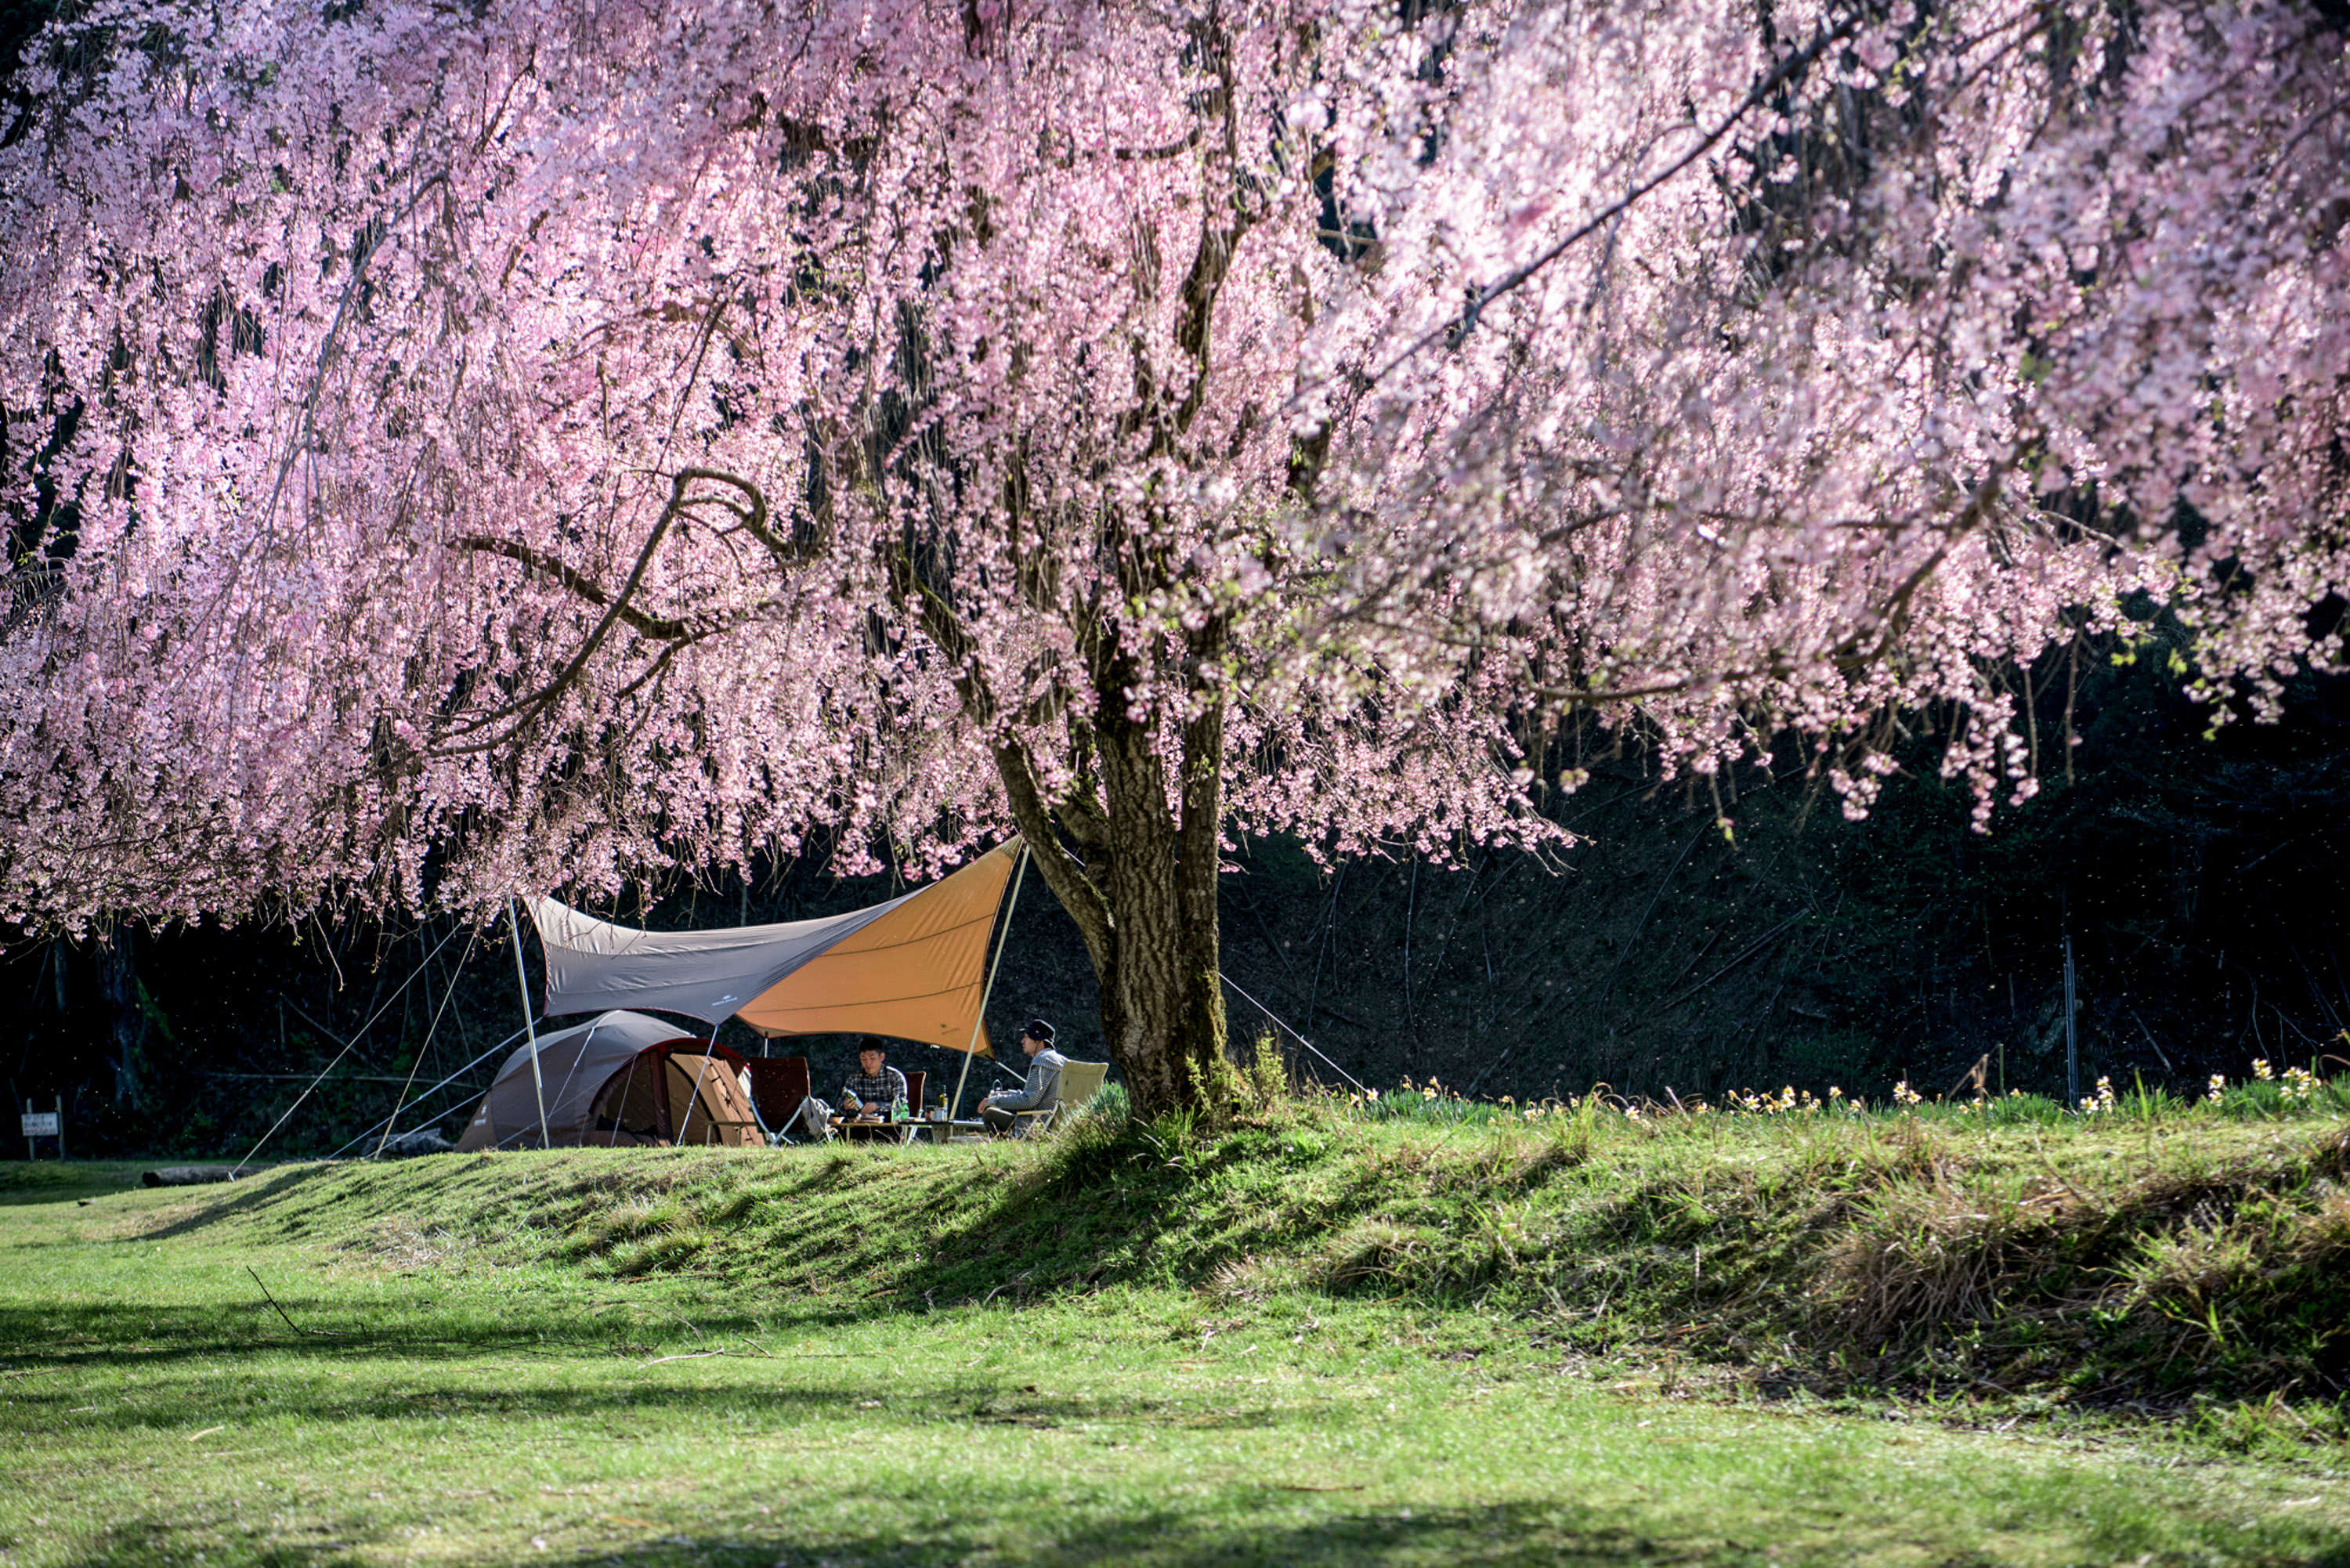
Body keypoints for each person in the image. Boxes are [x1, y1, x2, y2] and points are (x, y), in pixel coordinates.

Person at [980, 1018, 1068, 1136]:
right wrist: (1007, 1094)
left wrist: (993, 1101)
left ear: (1038, 1041)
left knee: (990, 1114)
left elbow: (1029, 1101)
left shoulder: (1042, 1060)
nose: (1022, 1041)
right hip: (1058, 1126)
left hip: (1036, 1126)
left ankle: (1010, 1149)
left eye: (1027, 1037)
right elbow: (1037, 1095)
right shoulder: (1062, 1061)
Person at [839, 1039, 908, 1119]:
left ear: (882, 1057)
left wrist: (877, 1106)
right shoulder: (854, 1078)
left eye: (872, 1058)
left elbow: (901, 1105)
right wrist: (845, 1106)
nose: (868, 1063)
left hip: (889, 1125)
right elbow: (838, 1106)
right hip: (861, 1125)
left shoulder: (895, 1077)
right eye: (864, 1059)